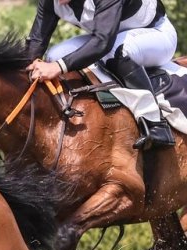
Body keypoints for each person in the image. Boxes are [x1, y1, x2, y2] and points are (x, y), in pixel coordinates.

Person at [26, 0, 177, 150]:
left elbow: (102, 43)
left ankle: (155, 124)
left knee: (116, 50)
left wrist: (58, 67)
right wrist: (26, 67)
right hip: (111, 35)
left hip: (156, 34)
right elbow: (36, 41)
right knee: (54, 55)